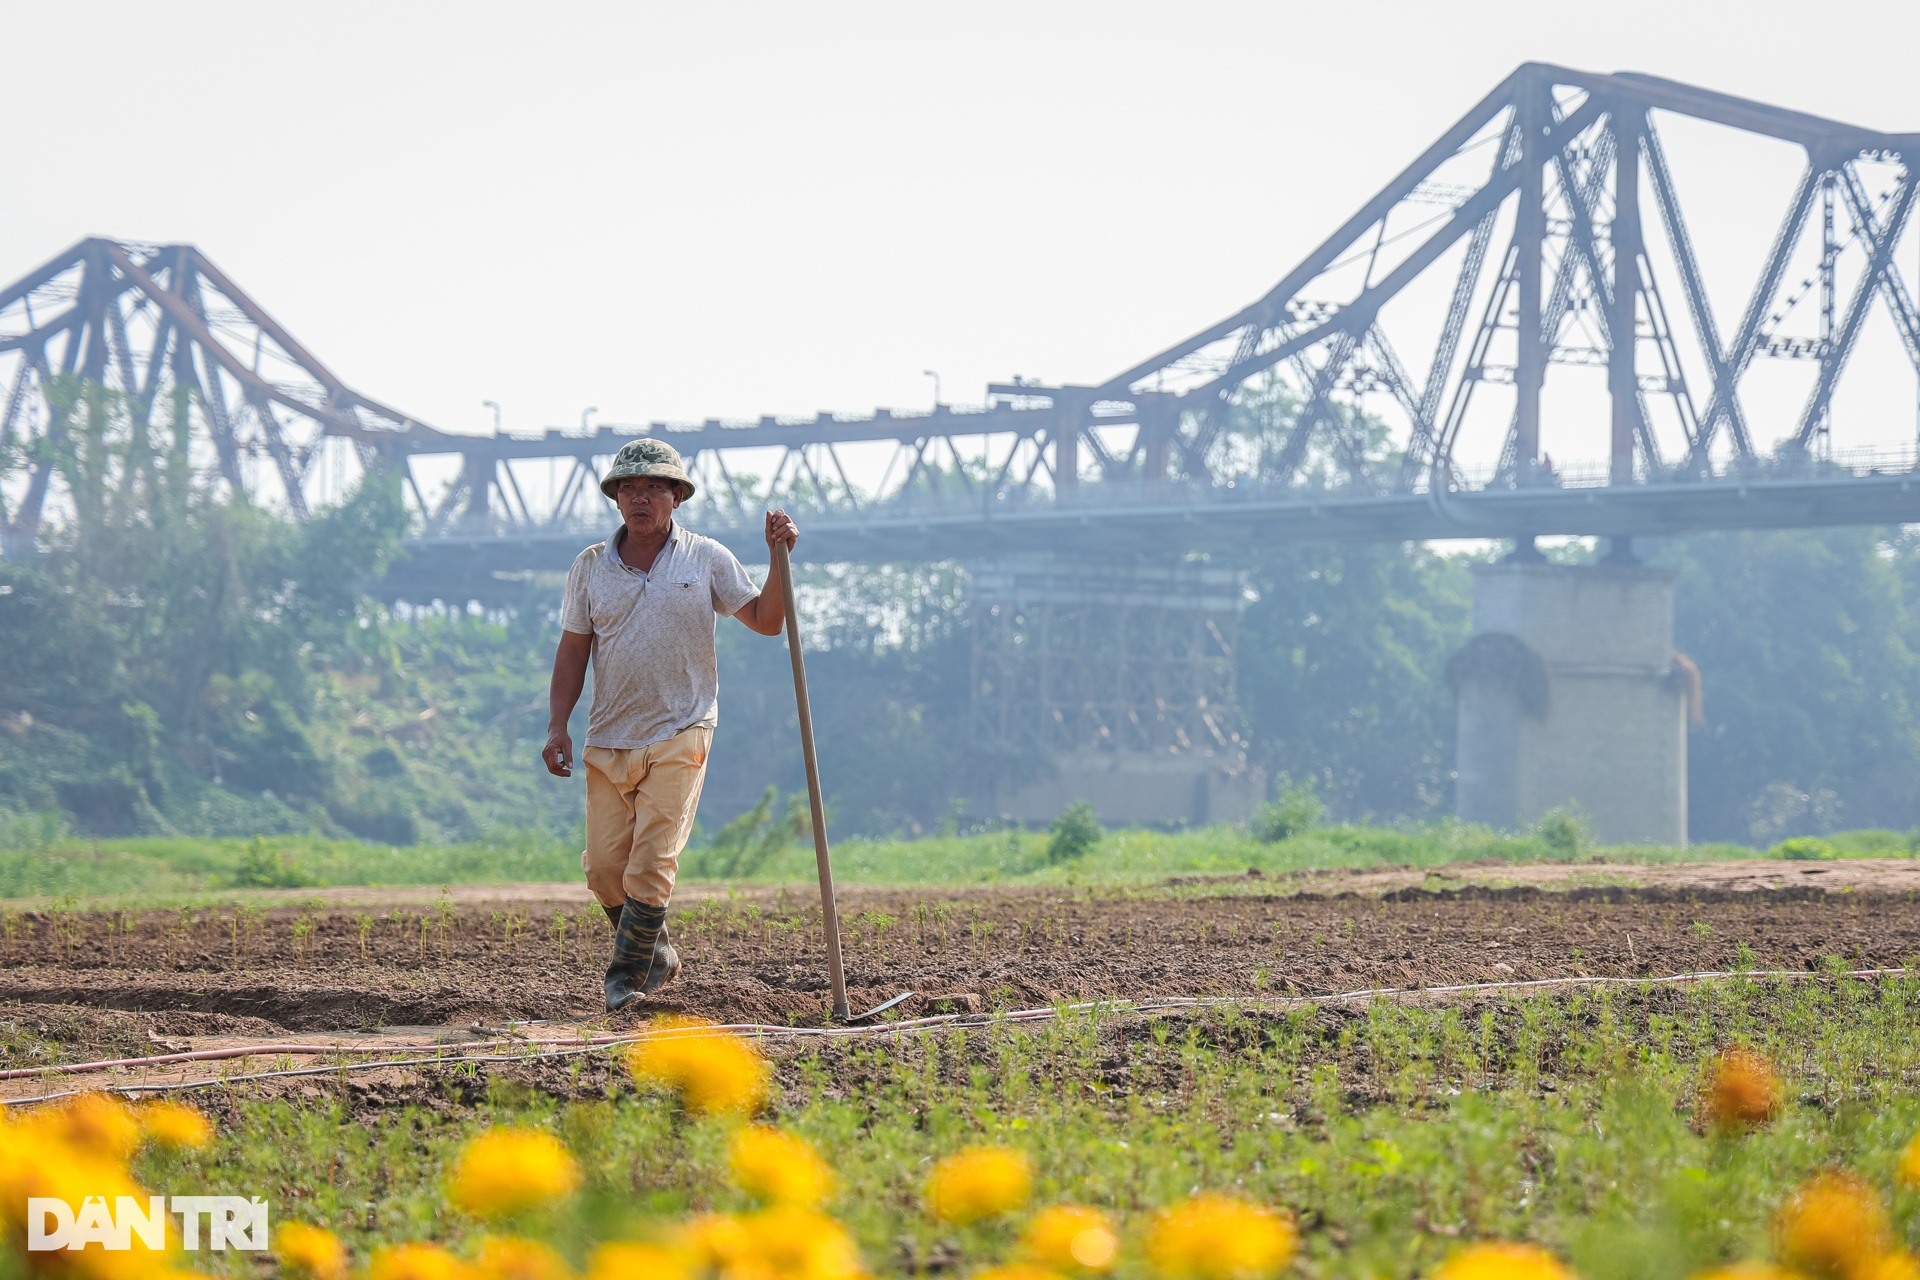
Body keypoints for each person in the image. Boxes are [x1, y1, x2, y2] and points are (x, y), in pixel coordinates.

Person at [542, 438, 798, 1011]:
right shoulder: (589, 567)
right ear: (615, 499)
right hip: (609, 735)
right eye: (629, 489)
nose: (640, 498)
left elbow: (767, 620)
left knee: (652, 860)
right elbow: (571, 651)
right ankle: (654, 951)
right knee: (607, 871)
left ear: (676, 497)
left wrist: (778, 560)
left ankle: (626, 980)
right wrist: (558, 725)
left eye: (653, 488)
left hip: (684, 727)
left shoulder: (706, 557)